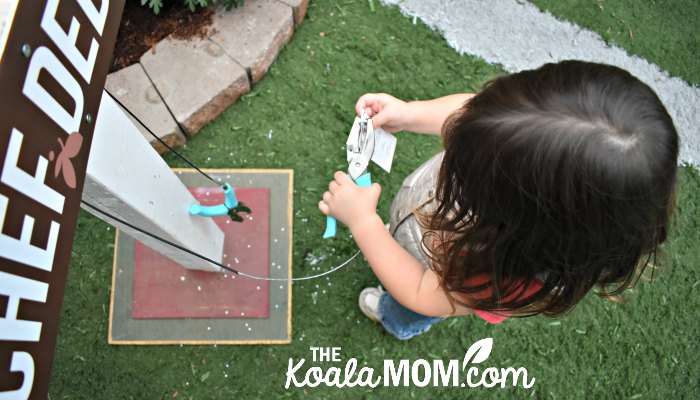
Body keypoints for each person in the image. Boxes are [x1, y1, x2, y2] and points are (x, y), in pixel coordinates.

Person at [318, 60, 679, 340]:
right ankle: (391, 249)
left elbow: (420, 290)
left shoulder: (498, 272)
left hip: (427, 274)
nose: (458, 144)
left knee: (405, 306)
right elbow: (467, 114)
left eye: (466, 172)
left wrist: (364, 223)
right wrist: (409, 112)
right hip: (423, 224)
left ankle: (396, 321)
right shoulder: (511, 136)